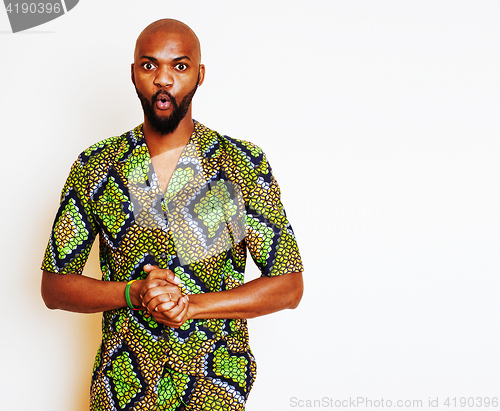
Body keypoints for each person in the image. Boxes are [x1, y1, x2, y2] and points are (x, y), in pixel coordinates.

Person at [41, 18, 304, 411]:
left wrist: (193, 305)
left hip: (213, 389)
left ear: (199, 75)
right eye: (150, 65)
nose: (163, 79)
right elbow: (54, 287)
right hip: (121, 390)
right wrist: (133, 293)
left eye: (179, 66)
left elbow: (288, 286)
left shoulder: (239, 164)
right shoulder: (98, 165)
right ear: (134, 74)